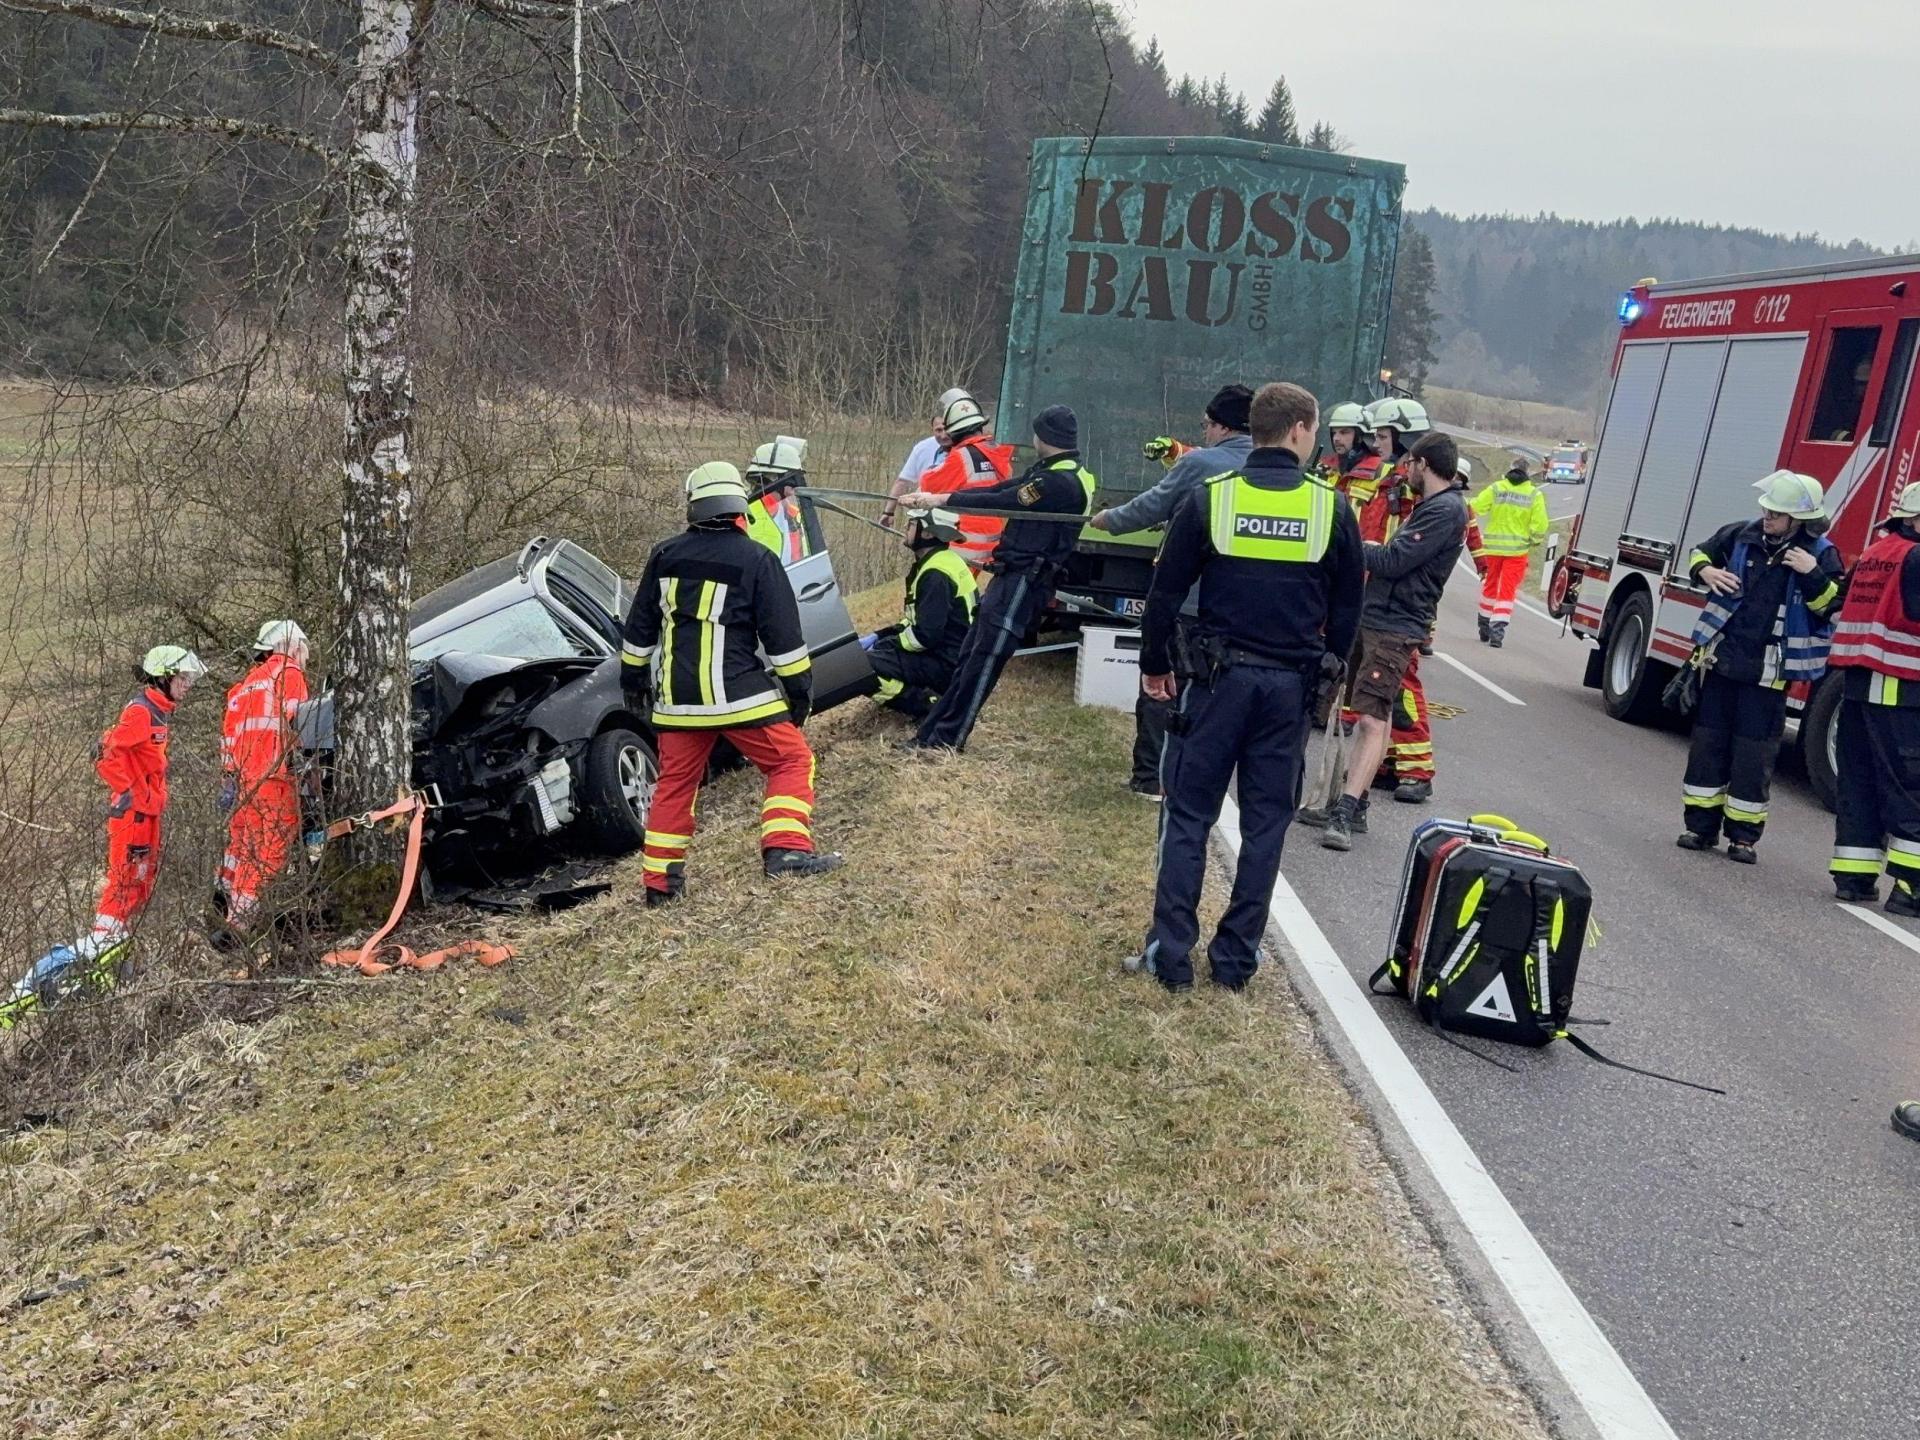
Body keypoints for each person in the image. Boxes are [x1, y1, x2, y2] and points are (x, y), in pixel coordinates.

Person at [1122, 381, 1364, 991]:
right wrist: (1328, 673)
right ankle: (1235, 964)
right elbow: (1348, 608)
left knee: (1188, 818)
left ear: (1253, 429)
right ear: (1301, 430)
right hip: (1288, 691)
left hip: (1213, 683)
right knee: (1264, 828)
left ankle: (1169, 957)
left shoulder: (1212, 498)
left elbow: (1164, 595)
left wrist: (1155, 666)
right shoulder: (1330, 508)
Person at [621, 463, 842, 906]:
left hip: (678, 703)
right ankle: (786, 851)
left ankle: (660, 886)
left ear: (694, 505)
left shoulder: (664, 555)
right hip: (742, 697)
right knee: (792, 762)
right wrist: (799, 694)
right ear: (740, 505)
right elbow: (784, 641)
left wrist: (634, 680)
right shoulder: (759, 559)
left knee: (675, 786)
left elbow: (639, 629)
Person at [1, 645, 207, 1027]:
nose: (188, 685)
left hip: (147, 813)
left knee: (137, 889)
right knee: (124, 888)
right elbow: (105, 751)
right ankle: (47, 976)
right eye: (183, 678)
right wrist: (134, 792)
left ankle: (106, 958)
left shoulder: (159, 711)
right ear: (163, 676)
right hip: (133, 815)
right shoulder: (140, 711)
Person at [1089, 384, 1255, 800]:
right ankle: (1200, 781)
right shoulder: (1273, 469)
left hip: (1192, 600)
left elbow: (1151, 506)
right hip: (1247, 610)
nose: (1204, 434)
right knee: (1221, 701)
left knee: (1162, 687)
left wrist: (1107, 519)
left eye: (1206, 425)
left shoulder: (1201, 464)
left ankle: (1151, 779)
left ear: (1221, 426)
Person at [898, 405, 1095, 752]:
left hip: (1024, 580)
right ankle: (931, 734)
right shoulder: (1054, 471)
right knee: (971, 657)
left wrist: (941, 498)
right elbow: (999, 490)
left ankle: (946, 740)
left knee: (983, 662)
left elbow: (1002, 499)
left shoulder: (1057, 482)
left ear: (1043, 437)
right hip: (1012, 577)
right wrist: (939, 500)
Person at [1677, 470, 1844, 864]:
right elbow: (1698, 552)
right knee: (1707, 749)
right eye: (1767, 509)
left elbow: (1831, 610)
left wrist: (1812, 575)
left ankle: (1743, 838)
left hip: (1769, 675)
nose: (1767, 516)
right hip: (1722, 663)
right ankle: (1698, 828)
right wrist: (1706, 571)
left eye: (1777, 513)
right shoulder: (1742, 535)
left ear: (1799, 519)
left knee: (1753, 759)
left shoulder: (1820, 554)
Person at [1321, 429, 1467, 851]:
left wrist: (1353, 545)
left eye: (1411, 464)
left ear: (1425, 465)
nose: (1406, 471)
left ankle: (1345, 811)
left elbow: (1396, 560)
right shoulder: (1431, 506)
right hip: (1379, 616)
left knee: (1370, 719)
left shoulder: (1444, 511)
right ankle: (1359, 800)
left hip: (1397, 625)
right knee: (1376, 714)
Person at [1827, 482, 1920, 911]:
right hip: (1903, 687)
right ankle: (1911, 888)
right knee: (1908, 786)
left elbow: (1841, 604)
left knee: (1859, 780)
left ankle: (1854, 877)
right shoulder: (1916, 557)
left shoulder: (1876, 552)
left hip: (1860, 684)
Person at [218, 620, 311, 933]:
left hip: (245, 781)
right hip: (275, 776)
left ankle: (229, 914)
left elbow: (228, 739)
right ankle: (241, 925)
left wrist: (230, 779)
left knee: (248, 849)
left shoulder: (245, 685)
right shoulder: (289, 673)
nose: (305, 657)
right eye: (304, 649)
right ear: (291, 645)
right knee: (272, 847)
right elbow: (299, 727)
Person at [866, 514, 978, 721]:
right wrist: (879, 636)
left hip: (947, 664)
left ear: (926, 533)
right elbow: (916, 621)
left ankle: (927, 704)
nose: (906, 529)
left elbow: (925, 637)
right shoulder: (942, 561)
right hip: (958, 657)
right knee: (878, 653)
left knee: (862, 670)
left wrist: (887, 646)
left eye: (911, 525)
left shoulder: (935, 574)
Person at [914, 390, 1015, 568]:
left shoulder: (961, 456)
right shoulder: (998, 452)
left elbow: (930, 484)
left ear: (955, 432)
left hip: (963, 545)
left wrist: (932, 469)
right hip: (992, 544)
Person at [1468, 459, 1550, 647]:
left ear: (1510, 469)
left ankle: (1484, 625)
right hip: (1517, 552)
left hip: (1492, 549)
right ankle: (1498, 631)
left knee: (1489, 586)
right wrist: (1533, 540)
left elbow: (1476, 507)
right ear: (1527, 472)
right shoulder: (1533, 494)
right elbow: (1540, 525)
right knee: (1507, 591)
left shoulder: (1497, 488)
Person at [881, 391, 961, 529]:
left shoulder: (966, 450)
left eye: (947, 429)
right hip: (926, 522)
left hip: (958, 520)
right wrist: (888, 511)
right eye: (938, 430)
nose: (943, 435)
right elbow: (903, 481)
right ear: (932, 429)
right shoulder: (923, 448)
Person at [744, 435, 813, 565]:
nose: (797, 483)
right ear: (775, 477)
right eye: (793, 477)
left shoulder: (793, 514)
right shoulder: (745, 516)